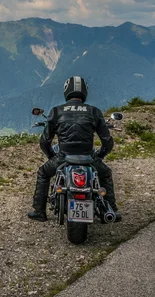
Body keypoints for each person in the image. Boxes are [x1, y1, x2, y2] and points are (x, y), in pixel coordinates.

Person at [27, 75, 121, 222]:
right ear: (85, 91)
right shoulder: (94, 111)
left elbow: (45, 141)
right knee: (106, 174)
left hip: (63, 156)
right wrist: (101, 155)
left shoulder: (56, 111)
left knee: (43, 173)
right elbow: (107, 141)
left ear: (66, 91)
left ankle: (39, 211)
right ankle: (111, 210)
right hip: (89, 157)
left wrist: (51, 155)